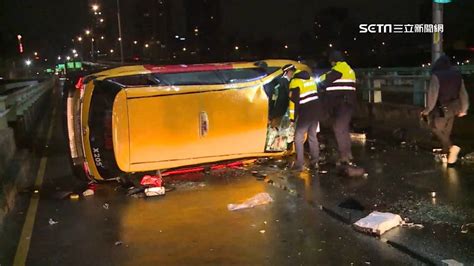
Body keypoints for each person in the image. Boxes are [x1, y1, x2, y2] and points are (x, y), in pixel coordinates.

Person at [421, 55, 469, 165]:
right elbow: (463, 93)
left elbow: (433, 96)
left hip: (442, 108)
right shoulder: (457, 75)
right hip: (455, 108)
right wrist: (464, 108)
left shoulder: (436, 76)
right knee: (446, 132)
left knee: (434, 127)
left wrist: (427, 110)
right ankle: (448, 157)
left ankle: (452, 148)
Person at [318, 50, 357, 165]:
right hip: (348, 104)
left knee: (338, 128)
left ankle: (344, 157)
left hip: (342, 104)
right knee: (344, 129)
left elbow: (325, 82)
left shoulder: (339, 69)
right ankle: (348, 154)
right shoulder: (349, 70)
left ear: (334, 61)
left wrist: (319, 81)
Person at [288, 68, 321, 171]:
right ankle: (315, 162)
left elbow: (294, 102)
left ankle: (299, 164)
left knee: (298, 138)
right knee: (312, 136)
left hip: (305, 113)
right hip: (316, 112)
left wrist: (292, 119)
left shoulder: (295, 82)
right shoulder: (311, 80)